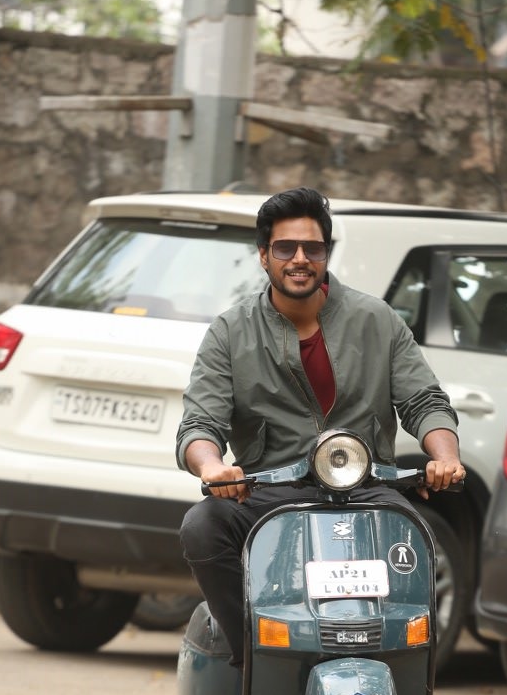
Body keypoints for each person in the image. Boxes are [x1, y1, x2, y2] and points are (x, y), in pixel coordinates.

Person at [176, 187, 465, 664]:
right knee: (202, 526)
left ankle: (401, 684)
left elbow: (423, 399)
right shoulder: (232, 331)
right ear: (264, 256)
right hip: (270, 492)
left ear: (326, 255)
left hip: (367, 488)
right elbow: (201, 420)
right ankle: (251, 659)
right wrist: (212, 467)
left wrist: (445, 457)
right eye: (285, 248)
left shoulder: (377, 319)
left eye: (313, 249)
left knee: (416, 541)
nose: (300, 259)